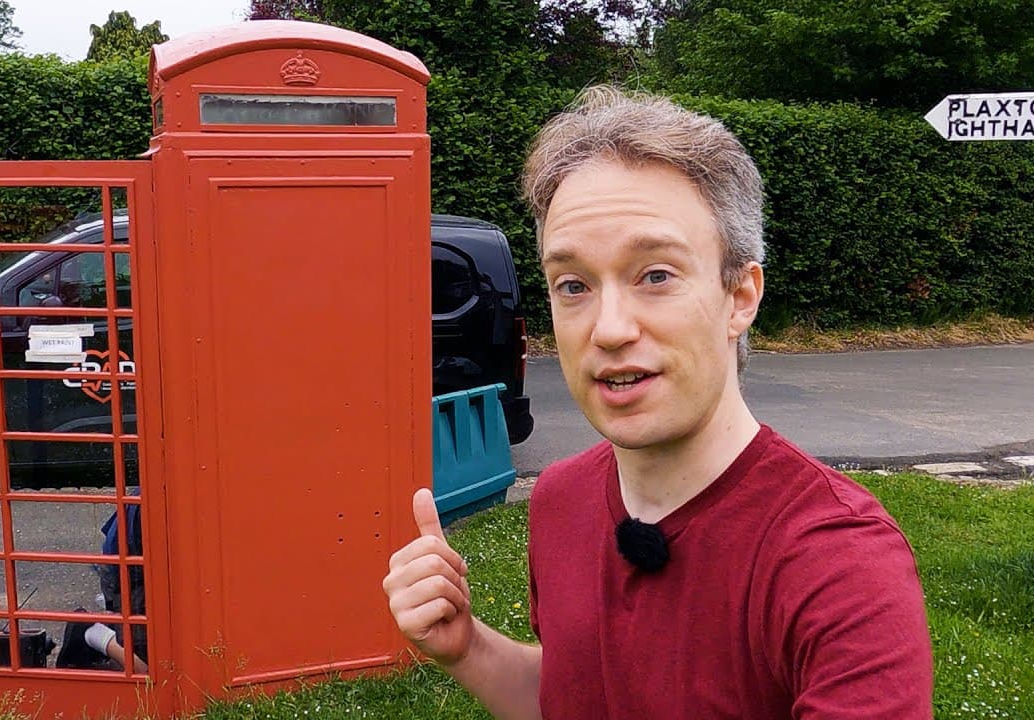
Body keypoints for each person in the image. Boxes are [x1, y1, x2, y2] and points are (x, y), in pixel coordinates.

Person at [382, 86, 934, 719]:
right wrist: (467, 648)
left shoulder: (838, 563)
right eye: (574, 285)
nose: (609, 328)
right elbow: (568, 697)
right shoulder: (559, 503)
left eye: (656, 275)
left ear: (740, 296)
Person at [56, 492, 149, 674]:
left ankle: (111, 624)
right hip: (129, 573)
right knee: (152, 670)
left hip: (132, 564)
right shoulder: (150, 501)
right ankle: (90, 632)